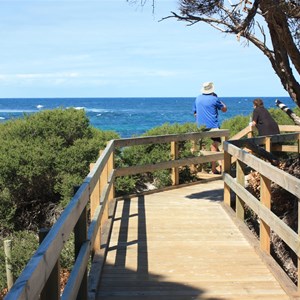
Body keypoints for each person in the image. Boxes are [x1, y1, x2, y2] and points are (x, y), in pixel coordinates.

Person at [193, 81, 227, 174]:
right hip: (213, 126)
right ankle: (215, 167)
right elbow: (224, 109)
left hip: (201, 127)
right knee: (215, 144)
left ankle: (199, 169)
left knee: (199, 147)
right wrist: (219, 100)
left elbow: (195, 113)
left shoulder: (197, 98)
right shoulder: (214, 99)